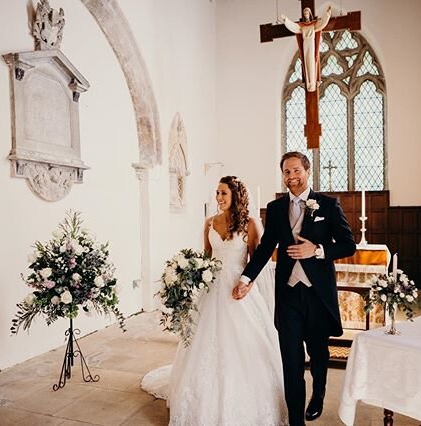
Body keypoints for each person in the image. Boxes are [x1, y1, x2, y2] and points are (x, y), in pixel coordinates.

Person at [141, 176, 288, 426]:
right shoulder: (209, 222)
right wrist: (189, 275)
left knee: (243, 342)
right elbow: (206, 259)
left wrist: (246, 284)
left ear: (235, 196)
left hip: (238, 289)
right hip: (212, 290)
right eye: (217, 193)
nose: (219, 198)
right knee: (202, 342)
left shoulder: (251, 224)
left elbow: (258, 261)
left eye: (223, 194)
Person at [233, 151, 356, 425]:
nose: (291, 177)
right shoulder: (276, 209)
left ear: (307, 170)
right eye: (287, 172)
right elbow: (265, 249)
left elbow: (349, 245)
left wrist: (318, 250)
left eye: (296, 170)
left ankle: (319, 394)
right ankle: (296, 422)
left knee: (318, 353)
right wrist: (246, 279)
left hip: (317, 294)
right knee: (291, 360)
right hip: (288, 294)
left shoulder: (328, 205)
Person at [281, 6, 333, 92]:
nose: (306, 15)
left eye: (307, 13)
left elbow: (322, 23)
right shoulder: (301, 26)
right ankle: (309, 83)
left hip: (312, 44)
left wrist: (327, 14)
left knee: (311, 61)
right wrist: (286, 20)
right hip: (305, 44)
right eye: (304, 13)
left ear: (310, 14)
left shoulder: (314, 24)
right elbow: (293, 27)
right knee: (306, 62)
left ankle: (312, 83)